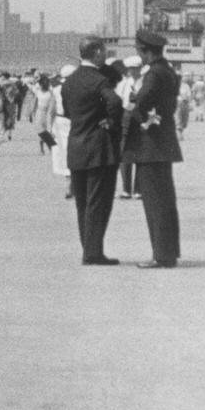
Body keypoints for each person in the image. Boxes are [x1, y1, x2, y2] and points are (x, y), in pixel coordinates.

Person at [60, 36, 123, 266]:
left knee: (83, 203)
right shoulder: (99, 80)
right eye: (104, 51)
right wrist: (110, 121)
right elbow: (115, 102)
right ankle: (93, 253)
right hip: (99, 148)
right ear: (96, 52)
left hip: (76, 147)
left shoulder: (69, 81)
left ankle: (88, 249)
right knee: (99, 202)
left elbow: (67, 111)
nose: (105, 55)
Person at [128, 29, 183, 268]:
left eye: (140, 51)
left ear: (145, 51)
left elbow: (142, 103)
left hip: (151, 145)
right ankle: (168, 252)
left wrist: (132, 110)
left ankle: (161, 255)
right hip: (164, 144)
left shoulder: (153, 74)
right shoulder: (168, 71)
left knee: (155, 202)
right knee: (165, 201)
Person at [115, 55, 143, 199]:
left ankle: (138, 189)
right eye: (130, 69)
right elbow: (117, 102)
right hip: (125, 120)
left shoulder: (144, 82)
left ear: (139, 68)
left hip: (141, 121)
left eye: (134, 68)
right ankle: (126, 189)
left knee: (140, 155)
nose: (131, 71)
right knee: (124, 154)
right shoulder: (123, 84)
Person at [50, 66, 74, 198]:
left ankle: (69, 184)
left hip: (59, 121)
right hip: (73, 121)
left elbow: (51, 109)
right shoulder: (78, 88)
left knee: (62, 152)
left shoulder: (56, 89)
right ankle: (72, 184)